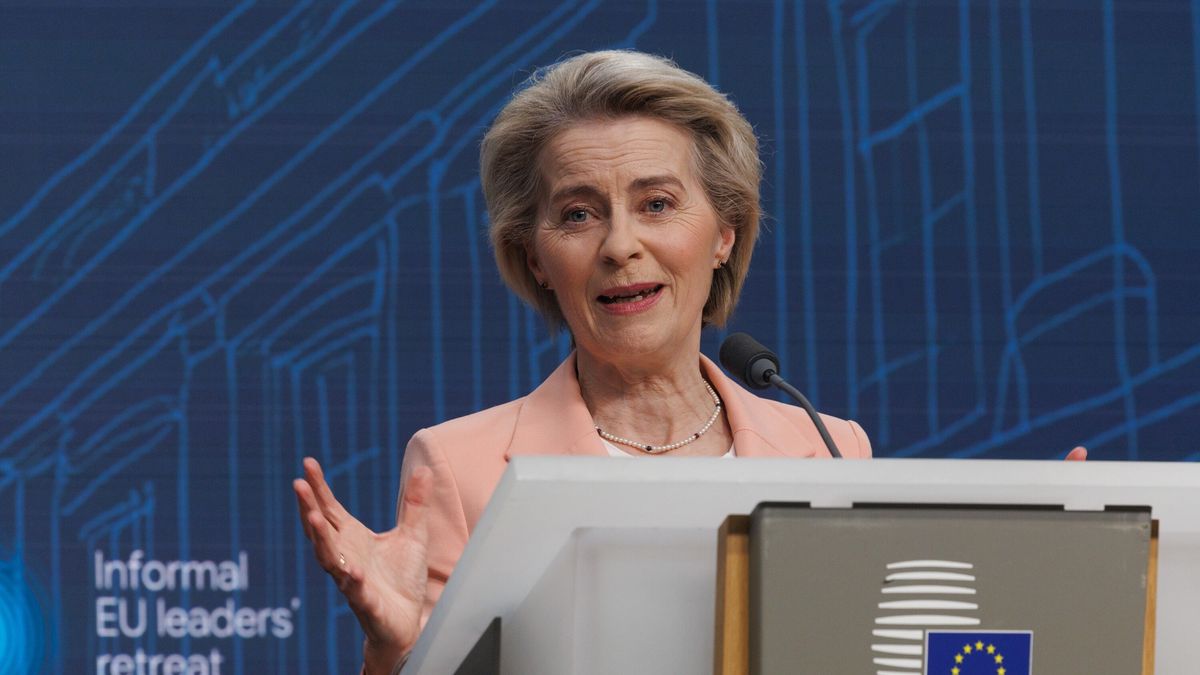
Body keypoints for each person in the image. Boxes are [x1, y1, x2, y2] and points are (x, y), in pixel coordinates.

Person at [293, 50, 1083, 673]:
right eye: (577, 214)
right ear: (534, 257)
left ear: (725, 231)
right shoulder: (461, 467)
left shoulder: (828, 446)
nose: (620, 245)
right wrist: (396, 653)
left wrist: (1043, 570)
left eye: (658, 203)